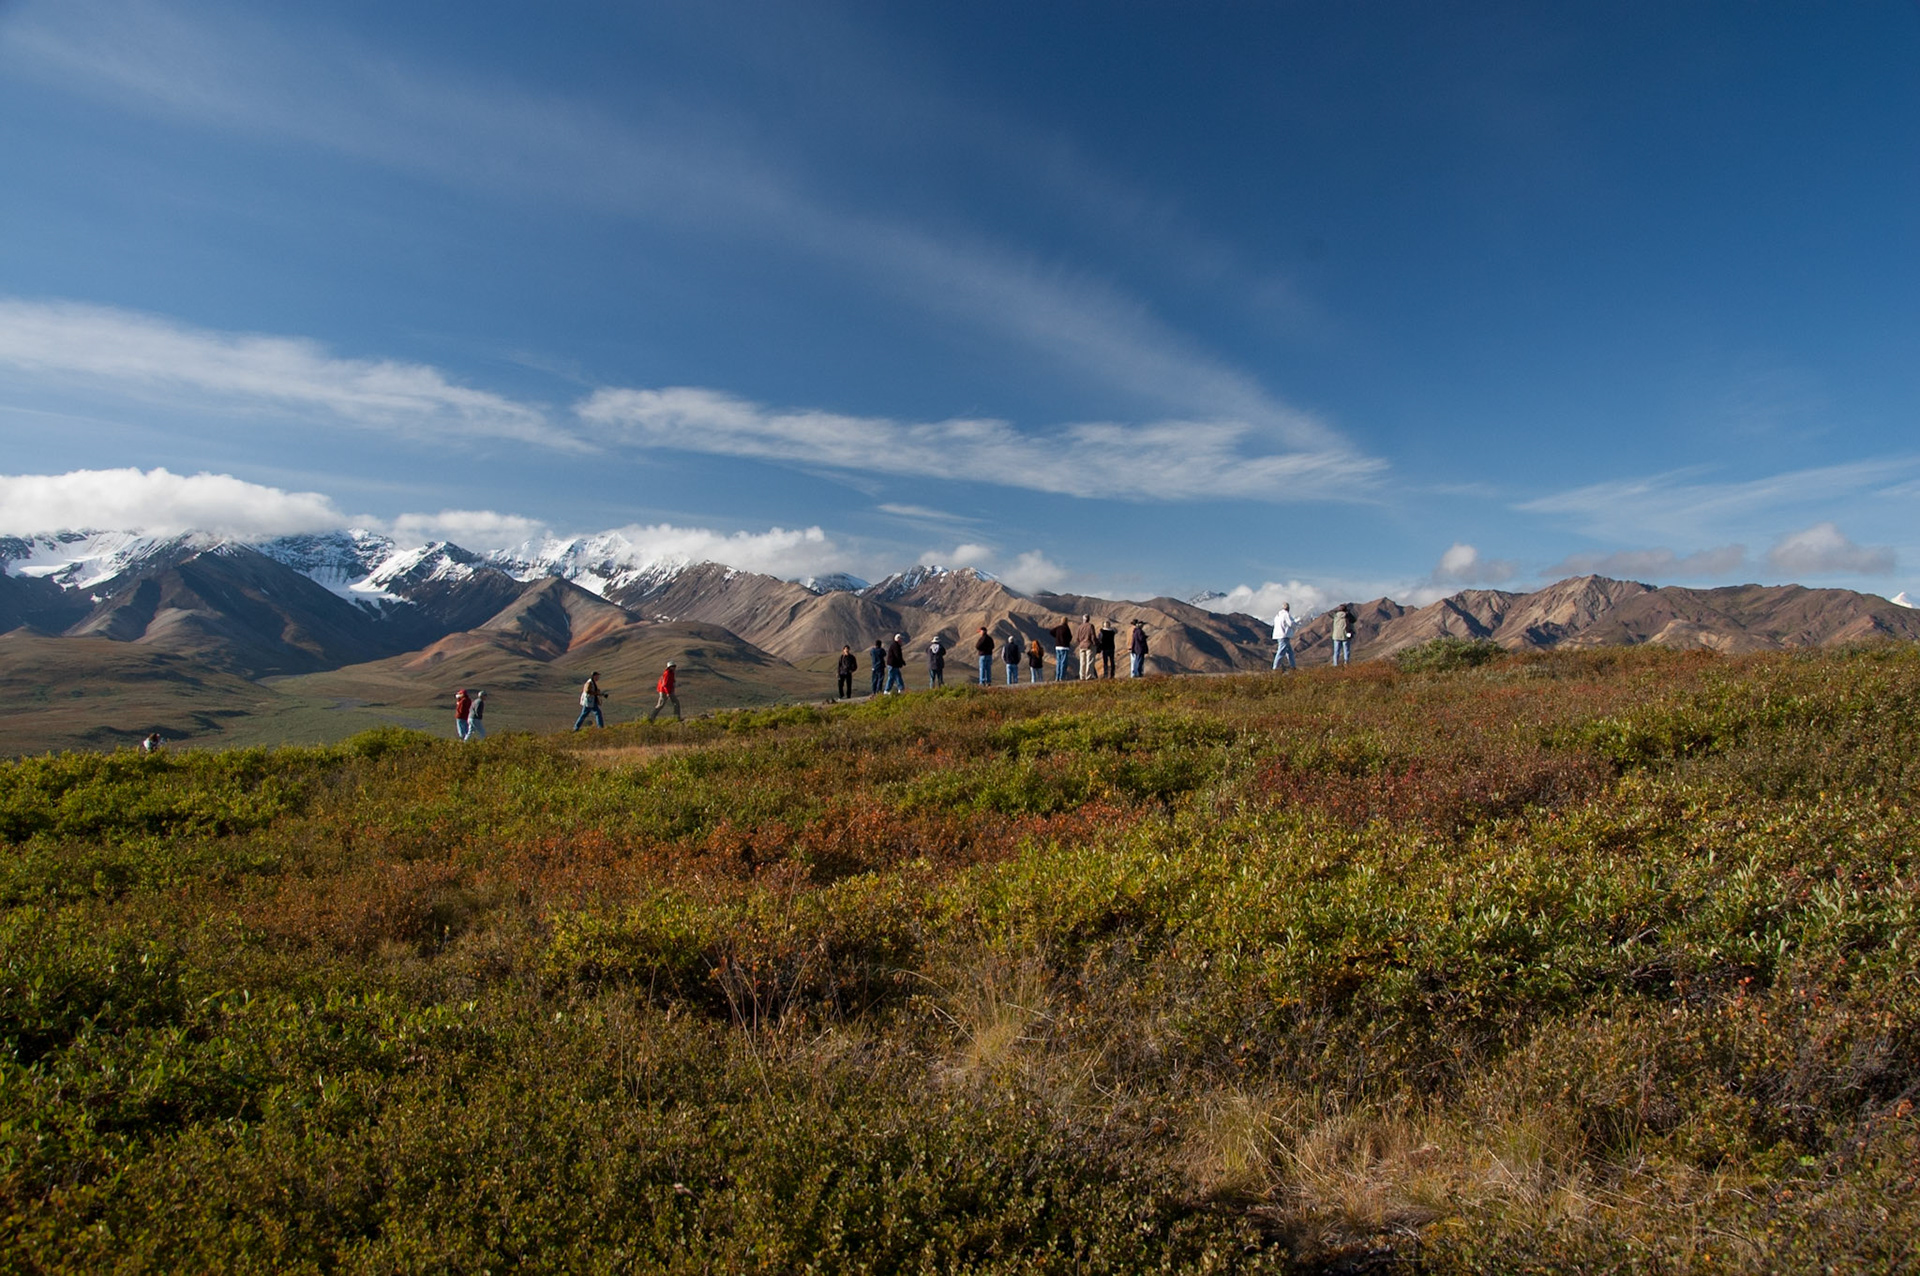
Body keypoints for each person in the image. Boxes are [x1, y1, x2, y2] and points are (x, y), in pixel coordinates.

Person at [1272, 602, 1298, 671]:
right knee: (1281, 651)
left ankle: (1293, 666)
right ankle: (1275, 668)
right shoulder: (1286, 614)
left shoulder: (1277, 615)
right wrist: (1296, 626)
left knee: (1289, 652)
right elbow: (1291, 623)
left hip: (1278, 635)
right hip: (1284, 635)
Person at [1076, 615, 1099, 681]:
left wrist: (1080, 643)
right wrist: (1095, 644)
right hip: (1089, 645)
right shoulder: (1090, 626)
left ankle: (1082, 676)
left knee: (1082, 662)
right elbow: (1092, 636)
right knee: (1090, 661)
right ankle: (1088, 675)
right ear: (1088, 619)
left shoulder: (1080, 626)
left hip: (1081, 645)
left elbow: (1077, 638)